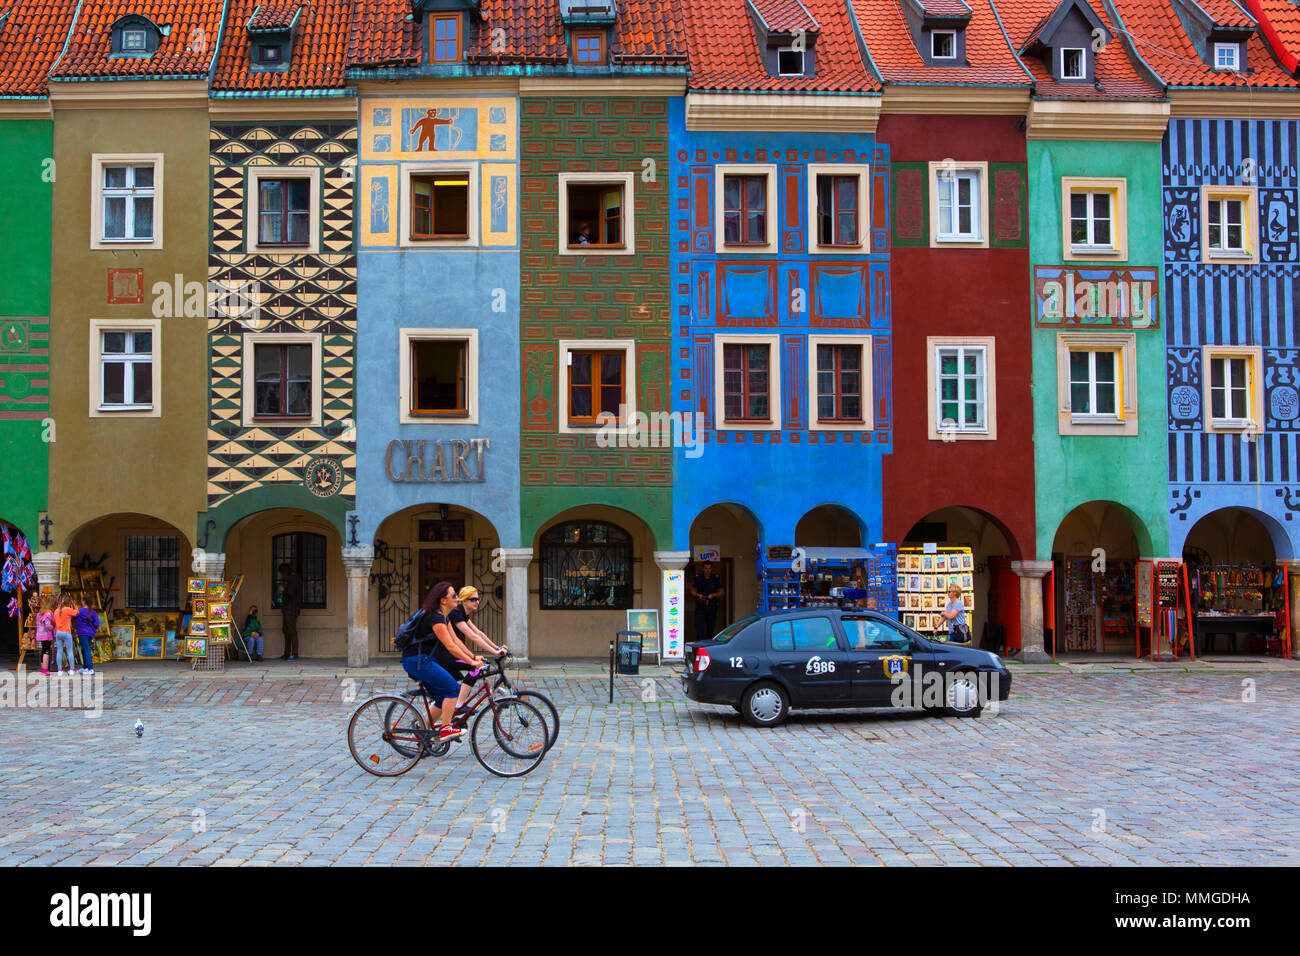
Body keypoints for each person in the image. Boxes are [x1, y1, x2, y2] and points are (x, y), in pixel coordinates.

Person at [402, 581, 482, 742]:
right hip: (417, 660)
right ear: (443, 600)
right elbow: (450, 646)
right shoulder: (436, 617)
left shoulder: (444, 617)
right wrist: (471, 663)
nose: (457, 598)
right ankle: (445, 730)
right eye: (453, 595)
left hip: (424, 660)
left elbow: (457, 641)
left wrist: (473, 657)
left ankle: (421, 734)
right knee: (452, 688)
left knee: (441, 698)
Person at [445, 586, 507, 713]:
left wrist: (496, 647)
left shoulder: (463, 613)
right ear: (464, 601)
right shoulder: (456, 612)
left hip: (452, 652)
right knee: (477, 668)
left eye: (477, 599)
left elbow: (478, 633)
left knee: (458, 687)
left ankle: (452, 709)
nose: (477, 602)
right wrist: (494, 652)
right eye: (473, 599)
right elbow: (471, 636)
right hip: (446, 653)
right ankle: (459, 706)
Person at [690, 560, 724, 641]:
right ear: (703, 569)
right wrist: (699, 595)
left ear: (712, 569)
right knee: (700, 630)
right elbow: (692, 590)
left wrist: (713, 595)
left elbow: (722, 592)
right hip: (700, 607)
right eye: (706, 568)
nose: (707, 570)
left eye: (709, 568)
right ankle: (699, 649)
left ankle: (709, 649)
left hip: (712, 606)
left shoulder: (715, 578)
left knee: (710, 630)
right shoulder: (698, 578)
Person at [277, 563, 302, 661]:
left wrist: (283, 590)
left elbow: (290, 593)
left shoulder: (293, 579)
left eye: (282, 573)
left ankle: (294, 653)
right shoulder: (292, 579)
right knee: (286, 630)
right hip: (288, 609)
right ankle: (286, 653)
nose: (282, 575)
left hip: (291, 609)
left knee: (291, 631)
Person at [74, 595, 99, 676]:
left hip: (82, 633)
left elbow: (72, 618)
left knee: (86, 650)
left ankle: (90, 668)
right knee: (85, 649)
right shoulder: (93, 612)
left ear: (84, 601)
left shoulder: (80, 611)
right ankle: (85, 667)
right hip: (90, 634)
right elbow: (97, 624)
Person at [52, 594, 77, 676]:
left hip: (58, 633)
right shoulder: (68, 609)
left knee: (59, 651)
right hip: (66, 632)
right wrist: (74, 604)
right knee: (69, 651)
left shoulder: (56, 611)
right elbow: (77, 612)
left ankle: (59, 670)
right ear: (69, 602)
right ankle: (72, 669)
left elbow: (53, 622)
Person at [35, 593, 55, 676]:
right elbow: (48, 626)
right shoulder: (48, 613)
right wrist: (53, 627)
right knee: (46, 652)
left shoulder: (40, 613)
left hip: (40, 634)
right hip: (46, 635)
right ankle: (45, 670)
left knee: (43, 651)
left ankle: (43, 669)